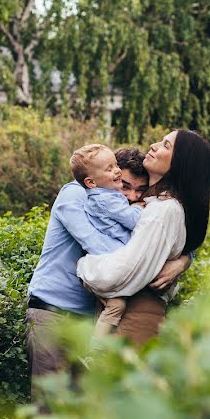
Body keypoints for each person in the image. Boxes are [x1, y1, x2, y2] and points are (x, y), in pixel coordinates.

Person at [25, 143, 191, 394]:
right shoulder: (75, 196)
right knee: (50, 409)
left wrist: (184, 259)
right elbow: (96, 244)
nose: (132, 196)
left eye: (140, 191)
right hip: (53, 313)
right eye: (125, 186)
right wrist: (143, 261)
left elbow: (176, 233)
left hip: (90, 322)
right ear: (104, 178)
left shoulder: (127, 209)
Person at [77, 129, 210, 344]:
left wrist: (84, 265)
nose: (153, 146)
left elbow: (121, 273)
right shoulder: (152, 205)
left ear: (180, 163)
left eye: (165, 145)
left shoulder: (163, 210)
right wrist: (185, 259)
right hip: (118, 309)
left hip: (137, 312)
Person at [69, 144, 142, 337]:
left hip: (104, 264)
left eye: (115, 165)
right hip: (107, 263)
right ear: (91, 182)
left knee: (115, 307)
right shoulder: (108, 199)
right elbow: (133, 220)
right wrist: (143, 207)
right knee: (116, 306)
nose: (116, 171)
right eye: (109, 169)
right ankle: (96, 350)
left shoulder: (102, 195)